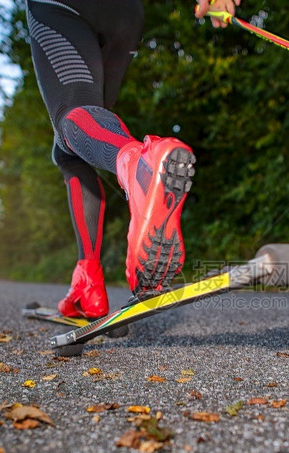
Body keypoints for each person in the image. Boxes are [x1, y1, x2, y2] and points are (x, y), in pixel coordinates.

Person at [24, 0, 241, 318]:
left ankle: (139, 167)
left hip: (62, 5)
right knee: (83, 135)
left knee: (72, 117)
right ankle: (89, 281)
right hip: (125, 11)